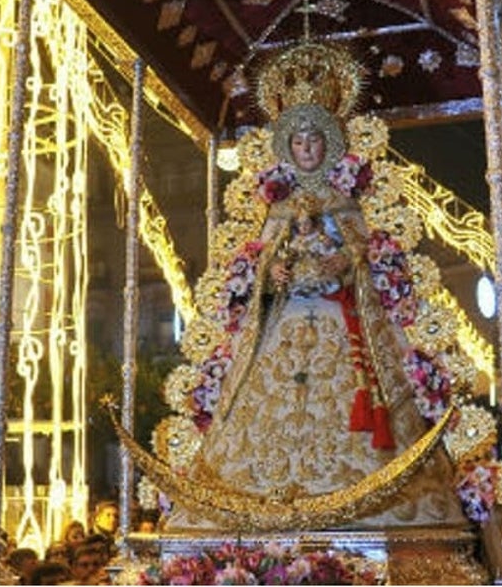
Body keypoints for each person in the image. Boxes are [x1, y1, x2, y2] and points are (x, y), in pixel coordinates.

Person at [159, 41, 469, 532]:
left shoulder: (347, 202)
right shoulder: (277, 209)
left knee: (358, 403)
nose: (306, 150)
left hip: (340, 320)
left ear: (329, 143)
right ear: (288, 147)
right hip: (282, 323)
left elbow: (365, 255)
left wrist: (344, 261)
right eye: (298, 143)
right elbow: (260, 261)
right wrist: (271, 275)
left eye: (314, 141)